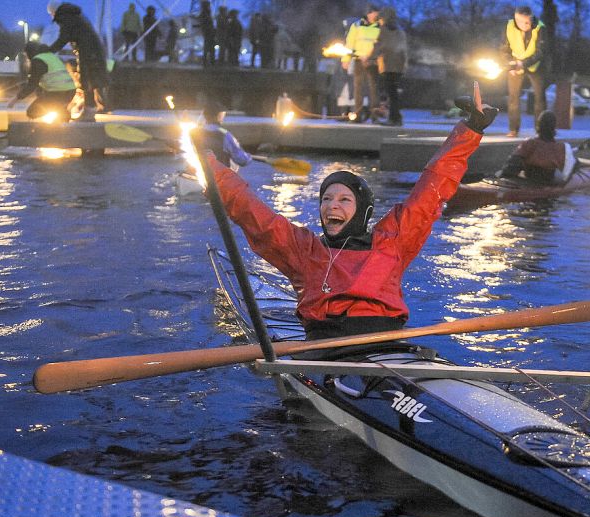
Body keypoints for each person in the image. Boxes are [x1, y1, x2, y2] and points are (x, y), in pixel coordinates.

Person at [205, 92, 497, 341]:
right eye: (327, 199)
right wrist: (213, 173)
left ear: (364, 212)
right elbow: (255, 215)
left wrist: (471, 129)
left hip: (386, 341)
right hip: (325, 345)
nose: (332, 206)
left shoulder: (392, 242)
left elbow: (433, 185)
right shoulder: (303, 250)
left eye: (345, 200)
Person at [47, 1, 109, 121]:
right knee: (89, 80)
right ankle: (89, 109)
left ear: (55, 12)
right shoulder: (74, 16)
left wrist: (48, 51)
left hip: (88, 52)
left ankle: (89, 112)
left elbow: (63, 38)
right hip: (92, 51)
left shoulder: (66, 17)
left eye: (52, 14)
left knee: (87, 80)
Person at [501, 6, 546, 137]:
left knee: (540, 97)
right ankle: (513, 129)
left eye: (528, 21)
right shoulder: (509, 26)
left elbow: (541, 52)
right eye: (521, 22)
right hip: (515, 65)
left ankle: (540, 130)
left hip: (535, 66)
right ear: (516, 18)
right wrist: (510, 64)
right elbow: (504, 48)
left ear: (531, 18)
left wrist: (523, 63)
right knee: (513, 98)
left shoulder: (540, 27)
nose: (525, 25)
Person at [496, 111, 574, 186]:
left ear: (538, 126)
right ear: (554, 127)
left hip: (528, 183)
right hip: (547, 184)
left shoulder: (528, 143)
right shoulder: (563, 147)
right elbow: (568, 175)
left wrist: (501, 176)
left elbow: (511, 165)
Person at [7, 41, 77, 122]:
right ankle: (63, 116)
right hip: (70, 91)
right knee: (57, 106)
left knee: (32, 112)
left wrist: (15, 99)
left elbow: (32, 85)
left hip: (57, 92)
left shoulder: (37, 60)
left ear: (29, 52)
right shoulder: (51, 56)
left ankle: (60, 112)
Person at [369, 7, 407, 126]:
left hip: (387, 65)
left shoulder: (383, 30)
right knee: (394, 93)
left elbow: (379, 46)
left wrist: (370, 57)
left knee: (391, 93)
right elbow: (404, 50)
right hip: (398, 66)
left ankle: (394, 119)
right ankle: (397, 118)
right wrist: (404, 65)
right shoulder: (400, 31)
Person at [343, 5, 381, 122]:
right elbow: (349, 44)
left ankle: (375, 116)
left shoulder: (380, 27)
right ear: (369, 13)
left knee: (374, 90)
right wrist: (346, 60)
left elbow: (381, 45)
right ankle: (357, 116)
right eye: (375, 13)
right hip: (358, 60)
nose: (376, 15)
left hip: (373, 62)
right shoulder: (356, 25)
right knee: (358, 89)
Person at [192, 101, 252, 168]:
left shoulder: (193, 133)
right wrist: (248, 157)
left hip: (197, 174)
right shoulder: (224, 134)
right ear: (219, 116)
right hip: (219, 176)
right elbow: (241, 160)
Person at [197, 0, 215, 66]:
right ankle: (209, 61)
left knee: (208, 47)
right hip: (208, 33)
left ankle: (206, 61)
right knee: (209, 48)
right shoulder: (205, 14)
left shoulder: (204, 14)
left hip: (208, 33)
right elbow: (207, 24)